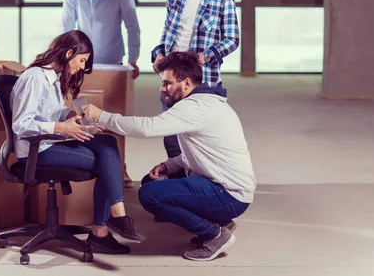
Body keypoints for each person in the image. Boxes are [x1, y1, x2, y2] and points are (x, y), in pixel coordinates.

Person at [82, 51, 256, 261]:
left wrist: (102, 116)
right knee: (150, 181)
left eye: (167, 83)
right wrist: (169, 165)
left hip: (229, 194)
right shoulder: (206, 102)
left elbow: (148, 128)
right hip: (223, 184)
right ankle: (218, 220)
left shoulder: (195, 108)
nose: (162, 89)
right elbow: (205, 152)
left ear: (186, 83)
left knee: (150, 195)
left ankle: (215, 233)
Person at [11, 30, 140, 255]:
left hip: (51, 142)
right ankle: (104, 228)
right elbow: (21, 124)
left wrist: (69, 116)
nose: (82, 66)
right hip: (37, 150)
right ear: (69, 52)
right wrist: (62, 128)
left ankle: (115, 218)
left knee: (107, 143)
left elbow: (50, 111)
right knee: (105, 163)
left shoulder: (53, 78)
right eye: (81, 60)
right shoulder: (35, 78)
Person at [152, 0, 240, 164]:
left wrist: (206, 56)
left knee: (205, 136)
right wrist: (158, 53)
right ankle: (175, 174)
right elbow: (168, 30)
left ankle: (206, 178)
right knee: (171, 135)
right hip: (172, 76)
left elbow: (232, 39)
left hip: (205, 79)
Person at [62, 0, 141, 79]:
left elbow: (132, 28)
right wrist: (66, 56)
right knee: (82, 99)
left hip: (113, 63)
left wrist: (133, 60)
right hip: (82, 62)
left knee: (113, 99)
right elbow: (67, 26)